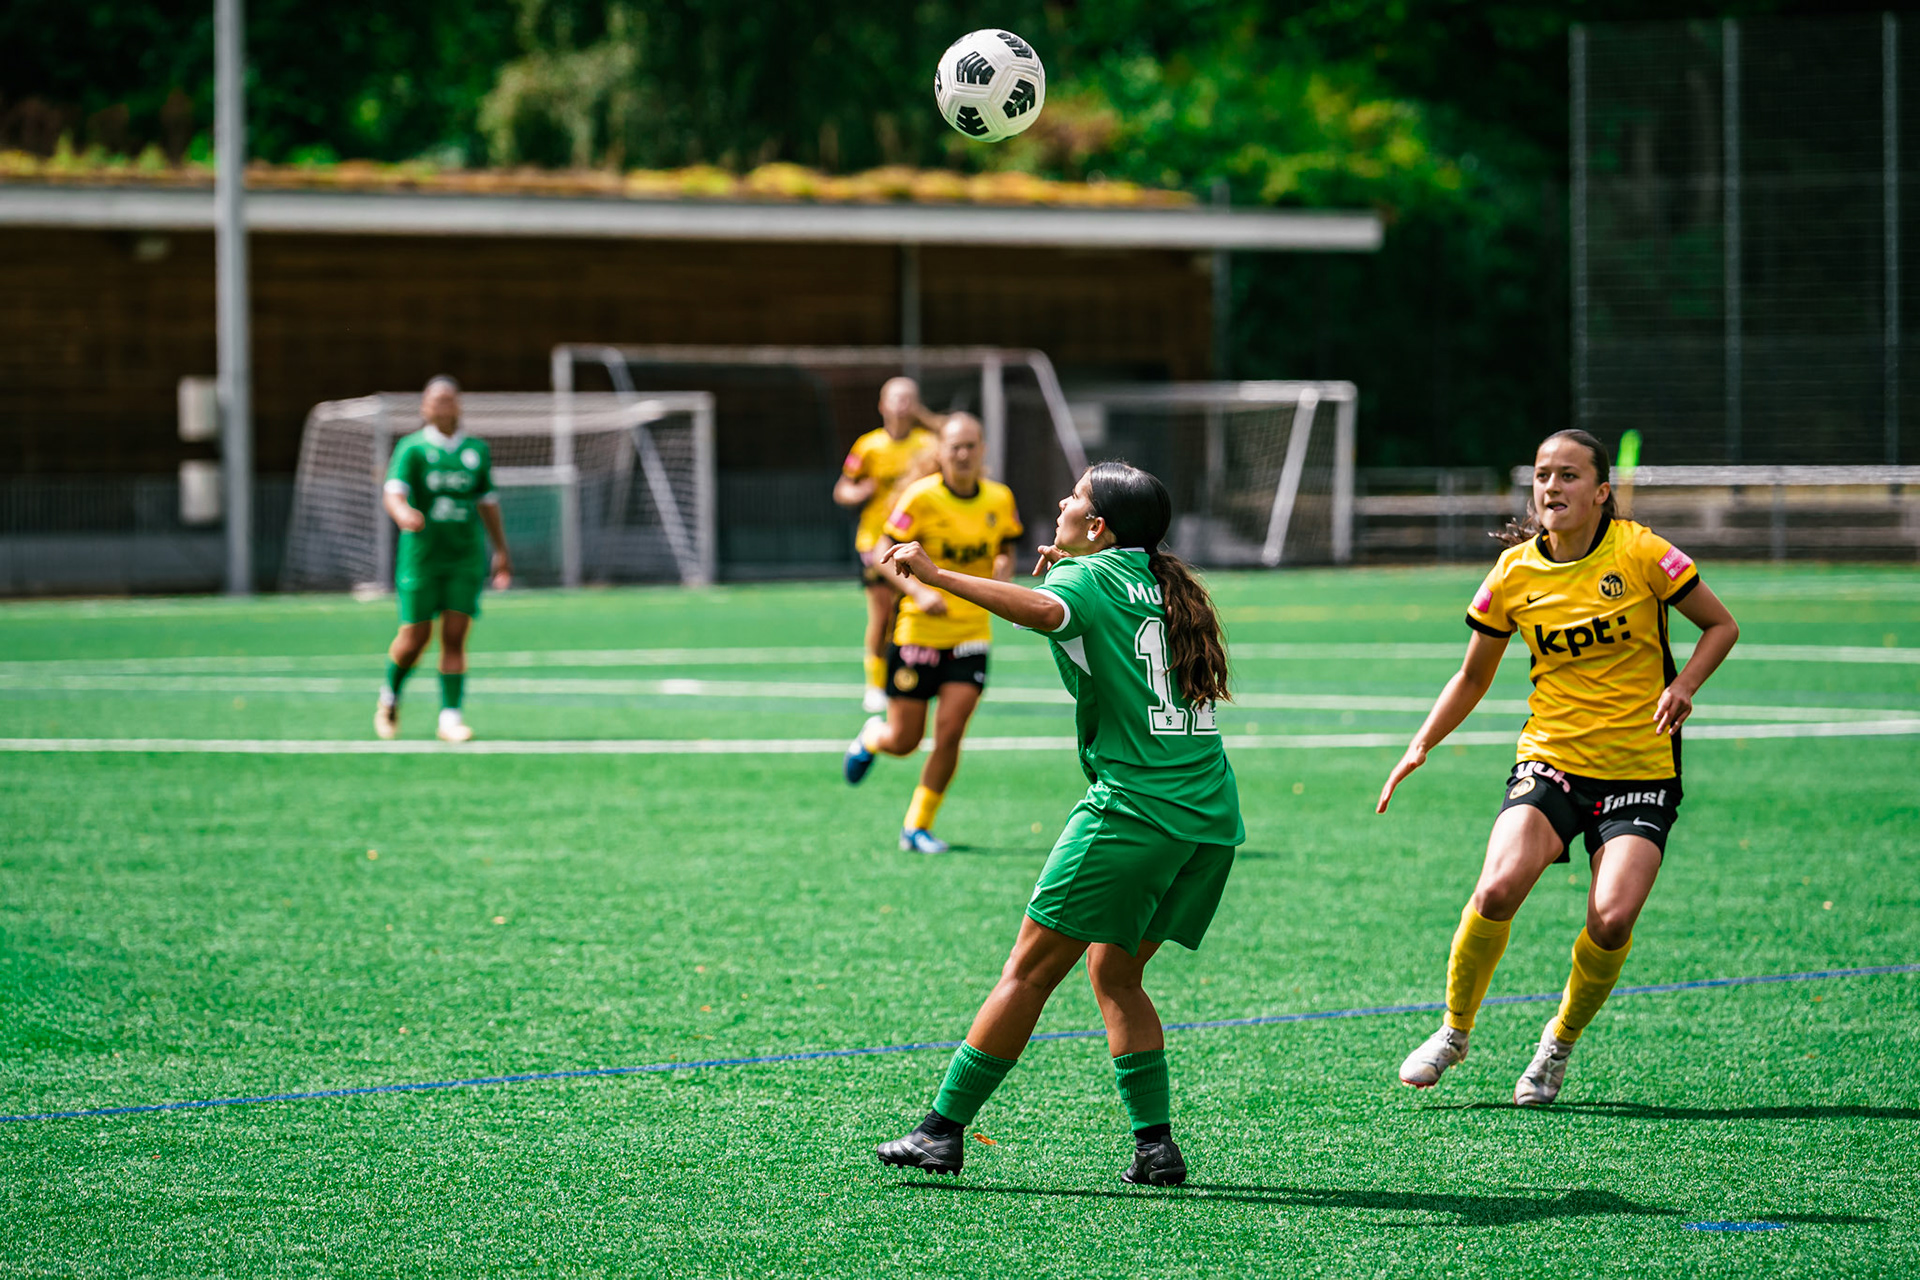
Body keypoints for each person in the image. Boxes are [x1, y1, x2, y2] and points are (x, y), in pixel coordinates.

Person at [871, 461, 1242, 1185]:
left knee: (1030, 970)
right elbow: (1069, 611)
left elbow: (1048, 612)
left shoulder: (1088, 579)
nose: (1063, 503)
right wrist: (1058, 577)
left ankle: (941, 1132)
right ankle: (1156, 1148)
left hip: (1136, 811)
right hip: (1209, 819)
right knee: (1115, 972)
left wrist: (936, 574)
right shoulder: (1162, 582)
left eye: (1075, 497)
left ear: (1098, 526)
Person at [1377, 429, 1739, 1105]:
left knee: (1610, 920)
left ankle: (1557, 1044)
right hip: (1552, 760)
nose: (1553, 487)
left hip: (1640, 772)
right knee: (1496, 889)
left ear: (1602, 492)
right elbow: (1471, 676)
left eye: (1570, 476)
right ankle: (1454, 1032)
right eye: (1544, 475)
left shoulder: (1640, 552)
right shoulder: (1514, 572)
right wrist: (1419, 744)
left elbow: (1720, 626)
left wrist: (1684, 684)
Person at [842, 413, 1022, 854]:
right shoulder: (920, 497)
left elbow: (1006, 547)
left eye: (971, 446)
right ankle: (872, 737)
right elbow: (883, 548)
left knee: (951, 733)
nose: (963, 454)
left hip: (971, 634)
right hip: (918, 633)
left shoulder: (1000, 499)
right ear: (940, 452)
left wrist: (1003, 569)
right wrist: (918, 593)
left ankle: (916, 827)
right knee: (904, 741)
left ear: (983, 450)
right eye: (955, 446)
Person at [375, 376, 512, 742]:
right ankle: (389, 697)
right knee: (415, 637)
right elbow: (393, 493)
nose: (442, 406)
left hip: (464, 557)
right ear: (424, 407)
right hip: (422, 557)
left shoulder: (475, 451)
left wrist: (501, 550)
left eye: (448, 399)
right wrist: (403, 514)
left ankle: (450, 718)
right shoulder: (412, 449)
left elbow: (488, 503)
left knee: (455, 636)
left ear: (459, 404)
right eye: (435, 400)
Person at [833, 377, 942, 714]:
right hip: (875, 542)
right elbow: (842, 489)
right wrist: (858, 493)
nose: (901, 405)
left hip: (917, 544)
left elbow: (957, 435)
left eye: (909, 398)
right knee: (881, 615)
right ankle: (874, 686)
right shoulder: (868, 446)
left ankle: (908, 679)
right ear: (882, 405)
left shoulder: (929, 444)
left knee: (904, 617)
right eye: (895, 398)